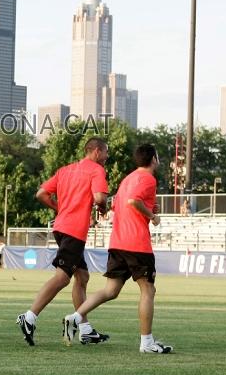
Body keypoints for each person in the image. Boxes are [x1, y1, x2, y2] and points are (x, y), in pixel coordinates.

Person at [63, 144, 173, 354]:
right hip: (137, 244)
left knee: (110, 290)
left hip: (118, 242)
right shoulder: (148, 178)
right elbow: (134, 201)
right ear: (153, 159)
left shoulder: (127, 179)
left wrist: (148, 208)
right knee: (148, 290)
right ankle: (146, 342)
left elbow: (118, 205)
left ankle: (75, 317)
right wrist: (152, 216)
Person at [16, 137, 110, 346]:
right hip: (75, 231)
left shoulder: (65, 170)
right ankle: (29, 317)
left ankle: (85, 329)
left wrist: (60, 208)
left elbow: (41, 193)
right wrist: (102, 208)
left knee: (82, 276)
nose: (107, 157)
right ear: (96, 152)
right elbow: (100, 198)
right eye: (106, 152)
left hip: (61, 227)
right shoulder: (96, 170)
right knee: (63, 277)